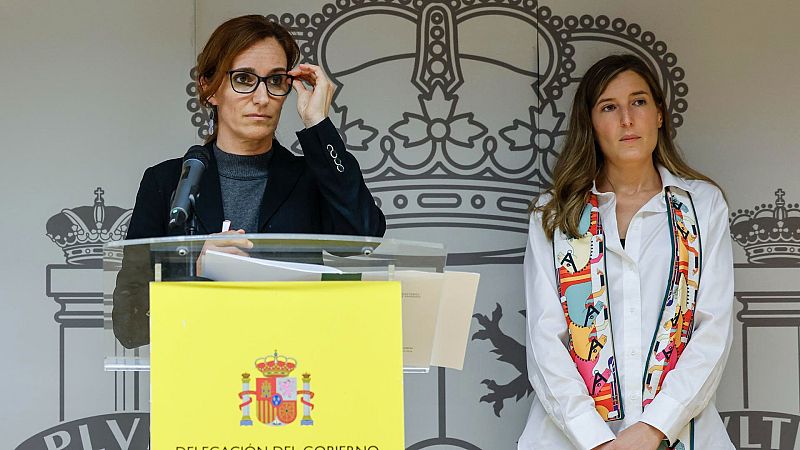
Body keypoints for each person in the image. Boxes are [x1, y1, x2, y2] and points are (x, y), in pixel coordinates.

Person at [112, 15, 385, 348]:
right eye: (243, 78)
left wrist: (318, 125)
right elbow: (129, 323)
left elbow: (364, 237)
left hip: (295, 375)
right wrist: (193, 272)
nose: (261, 97)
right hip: (199, 377)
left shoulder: (309, 178)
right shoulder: (167, 181)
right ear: (208, 88)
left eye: (275, 80)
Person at [518, 54, 734, 450]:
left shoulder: (702, 206)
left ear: (659, 115)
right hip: (568, 439)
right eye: (609, 107)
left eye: (638, 102)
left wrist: (653, 428)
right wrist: (598, 440)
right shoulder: (553, 213)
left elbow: (713, 330)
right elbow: (545, 340)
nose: (627, 119)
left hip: (684, 434)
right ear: (591, 124)